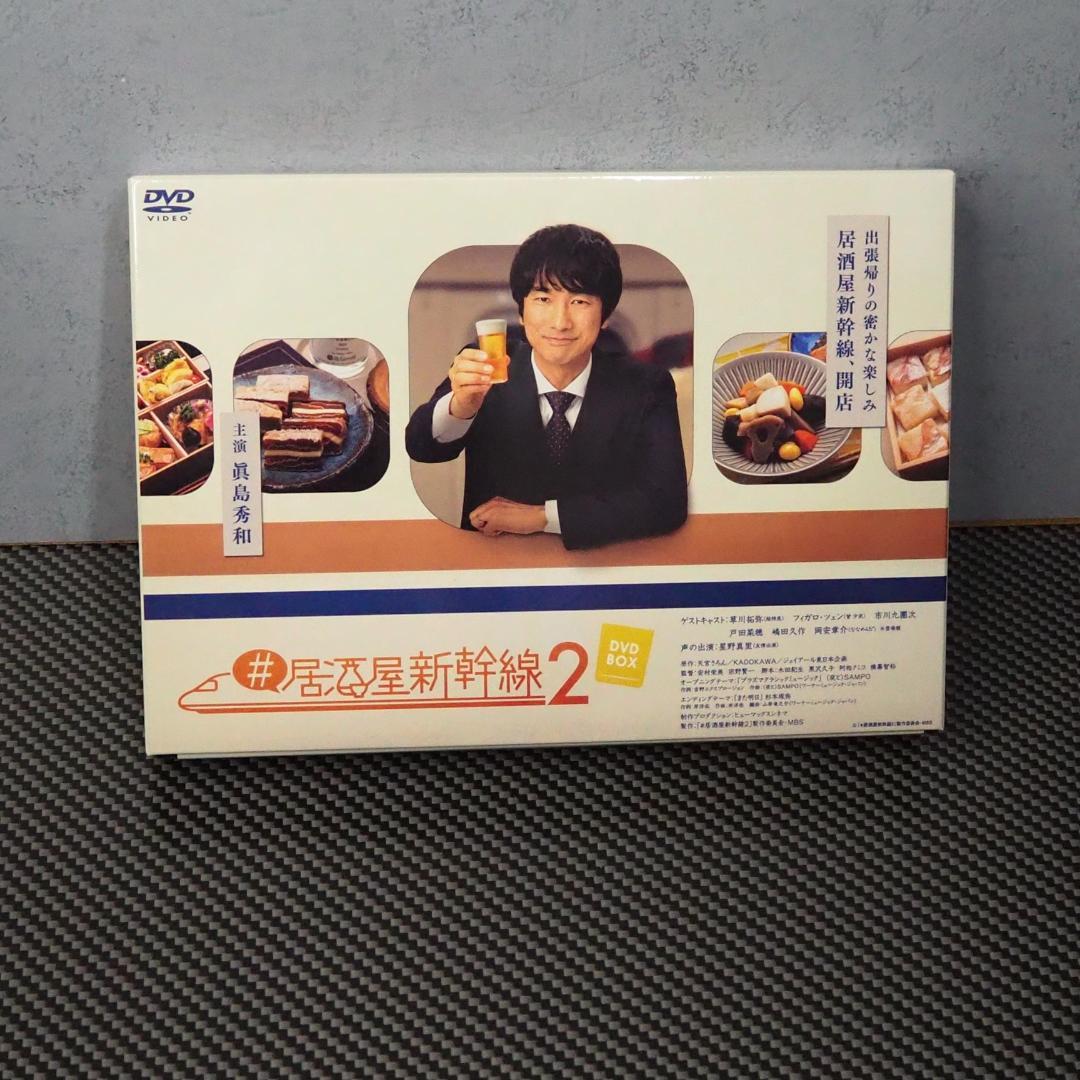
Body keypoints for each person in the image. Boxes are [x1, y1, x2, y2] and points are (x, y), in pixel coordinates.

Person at [405, 224, 687, 550]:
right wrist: (461, 406)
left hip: (600, 568)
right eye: (543, 299)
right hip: (496, 566)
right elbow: (421, 446)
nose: (560, 322)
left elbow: (667, 503)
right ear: (521, 312)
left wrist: (543, 517)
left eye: (579, 301)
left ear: (605, 316)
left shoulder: (645, 386)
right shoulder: (488, 363)